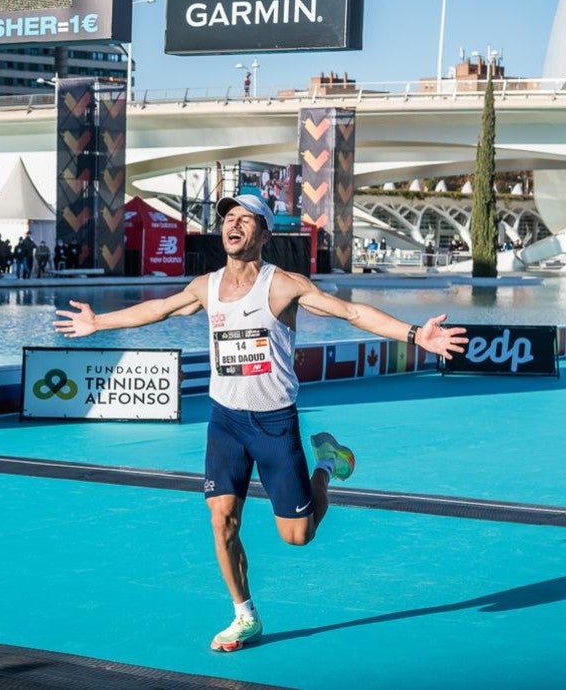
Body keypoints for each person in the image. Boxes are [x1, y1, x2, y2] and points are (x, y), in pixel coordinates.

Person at [54, 194, 468, 652]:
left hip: (274, 423)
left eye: (245, 220)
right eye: (228, 219)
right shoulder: (205, 286)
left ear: (264, 234)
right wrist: (99, 323)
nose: (233, 226)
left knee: (298, 537)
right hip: (226, 421)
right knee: (222, 518)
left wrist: (414, 334)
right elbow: (160, 309)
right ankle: (244, 615)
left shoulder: (284, 285)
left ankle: (328, 465)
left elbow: (351, 312)